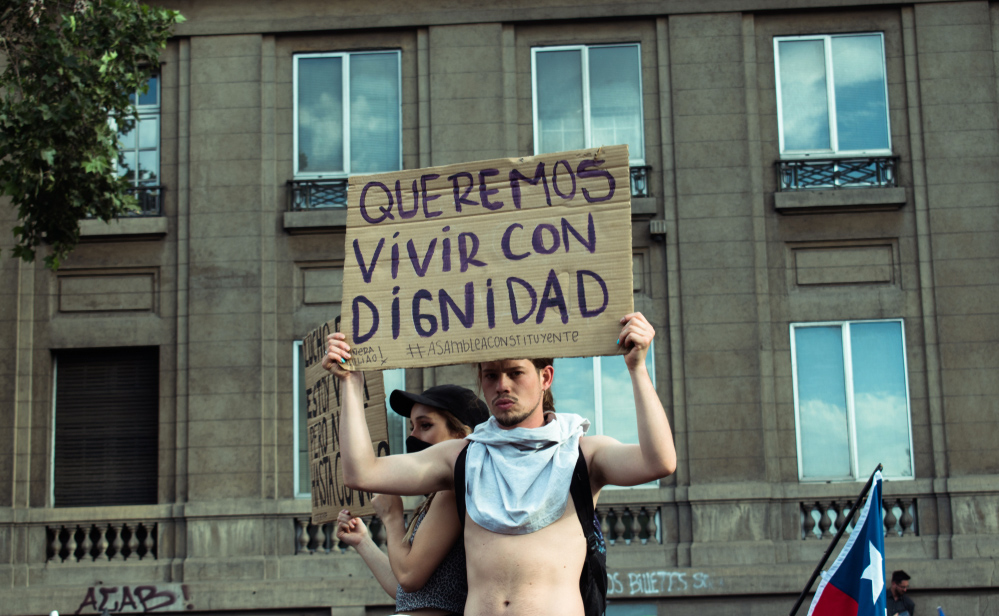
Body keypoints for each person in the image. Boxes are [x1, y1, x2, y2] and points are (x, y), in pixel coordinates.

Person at [324, 311, 676, 616]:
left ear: (545, 377)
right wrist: (351, 384)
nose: (502, 385)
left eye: (515, 373)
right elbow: (361, 472)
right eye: (491, 375)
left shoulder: (583, 454)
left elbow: (658, 461)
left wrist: (637, 368)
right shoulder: (463, 456)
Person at [335, 385, 490, 616]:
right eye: (412, 426)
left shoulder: (454, 491)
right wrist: (363, 542)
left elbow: (409, 577)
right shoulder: (436, 496)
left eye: (425, 425)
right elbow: (407, 594)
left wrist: (392, 517)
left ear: (460, 435)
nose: (412, 436)